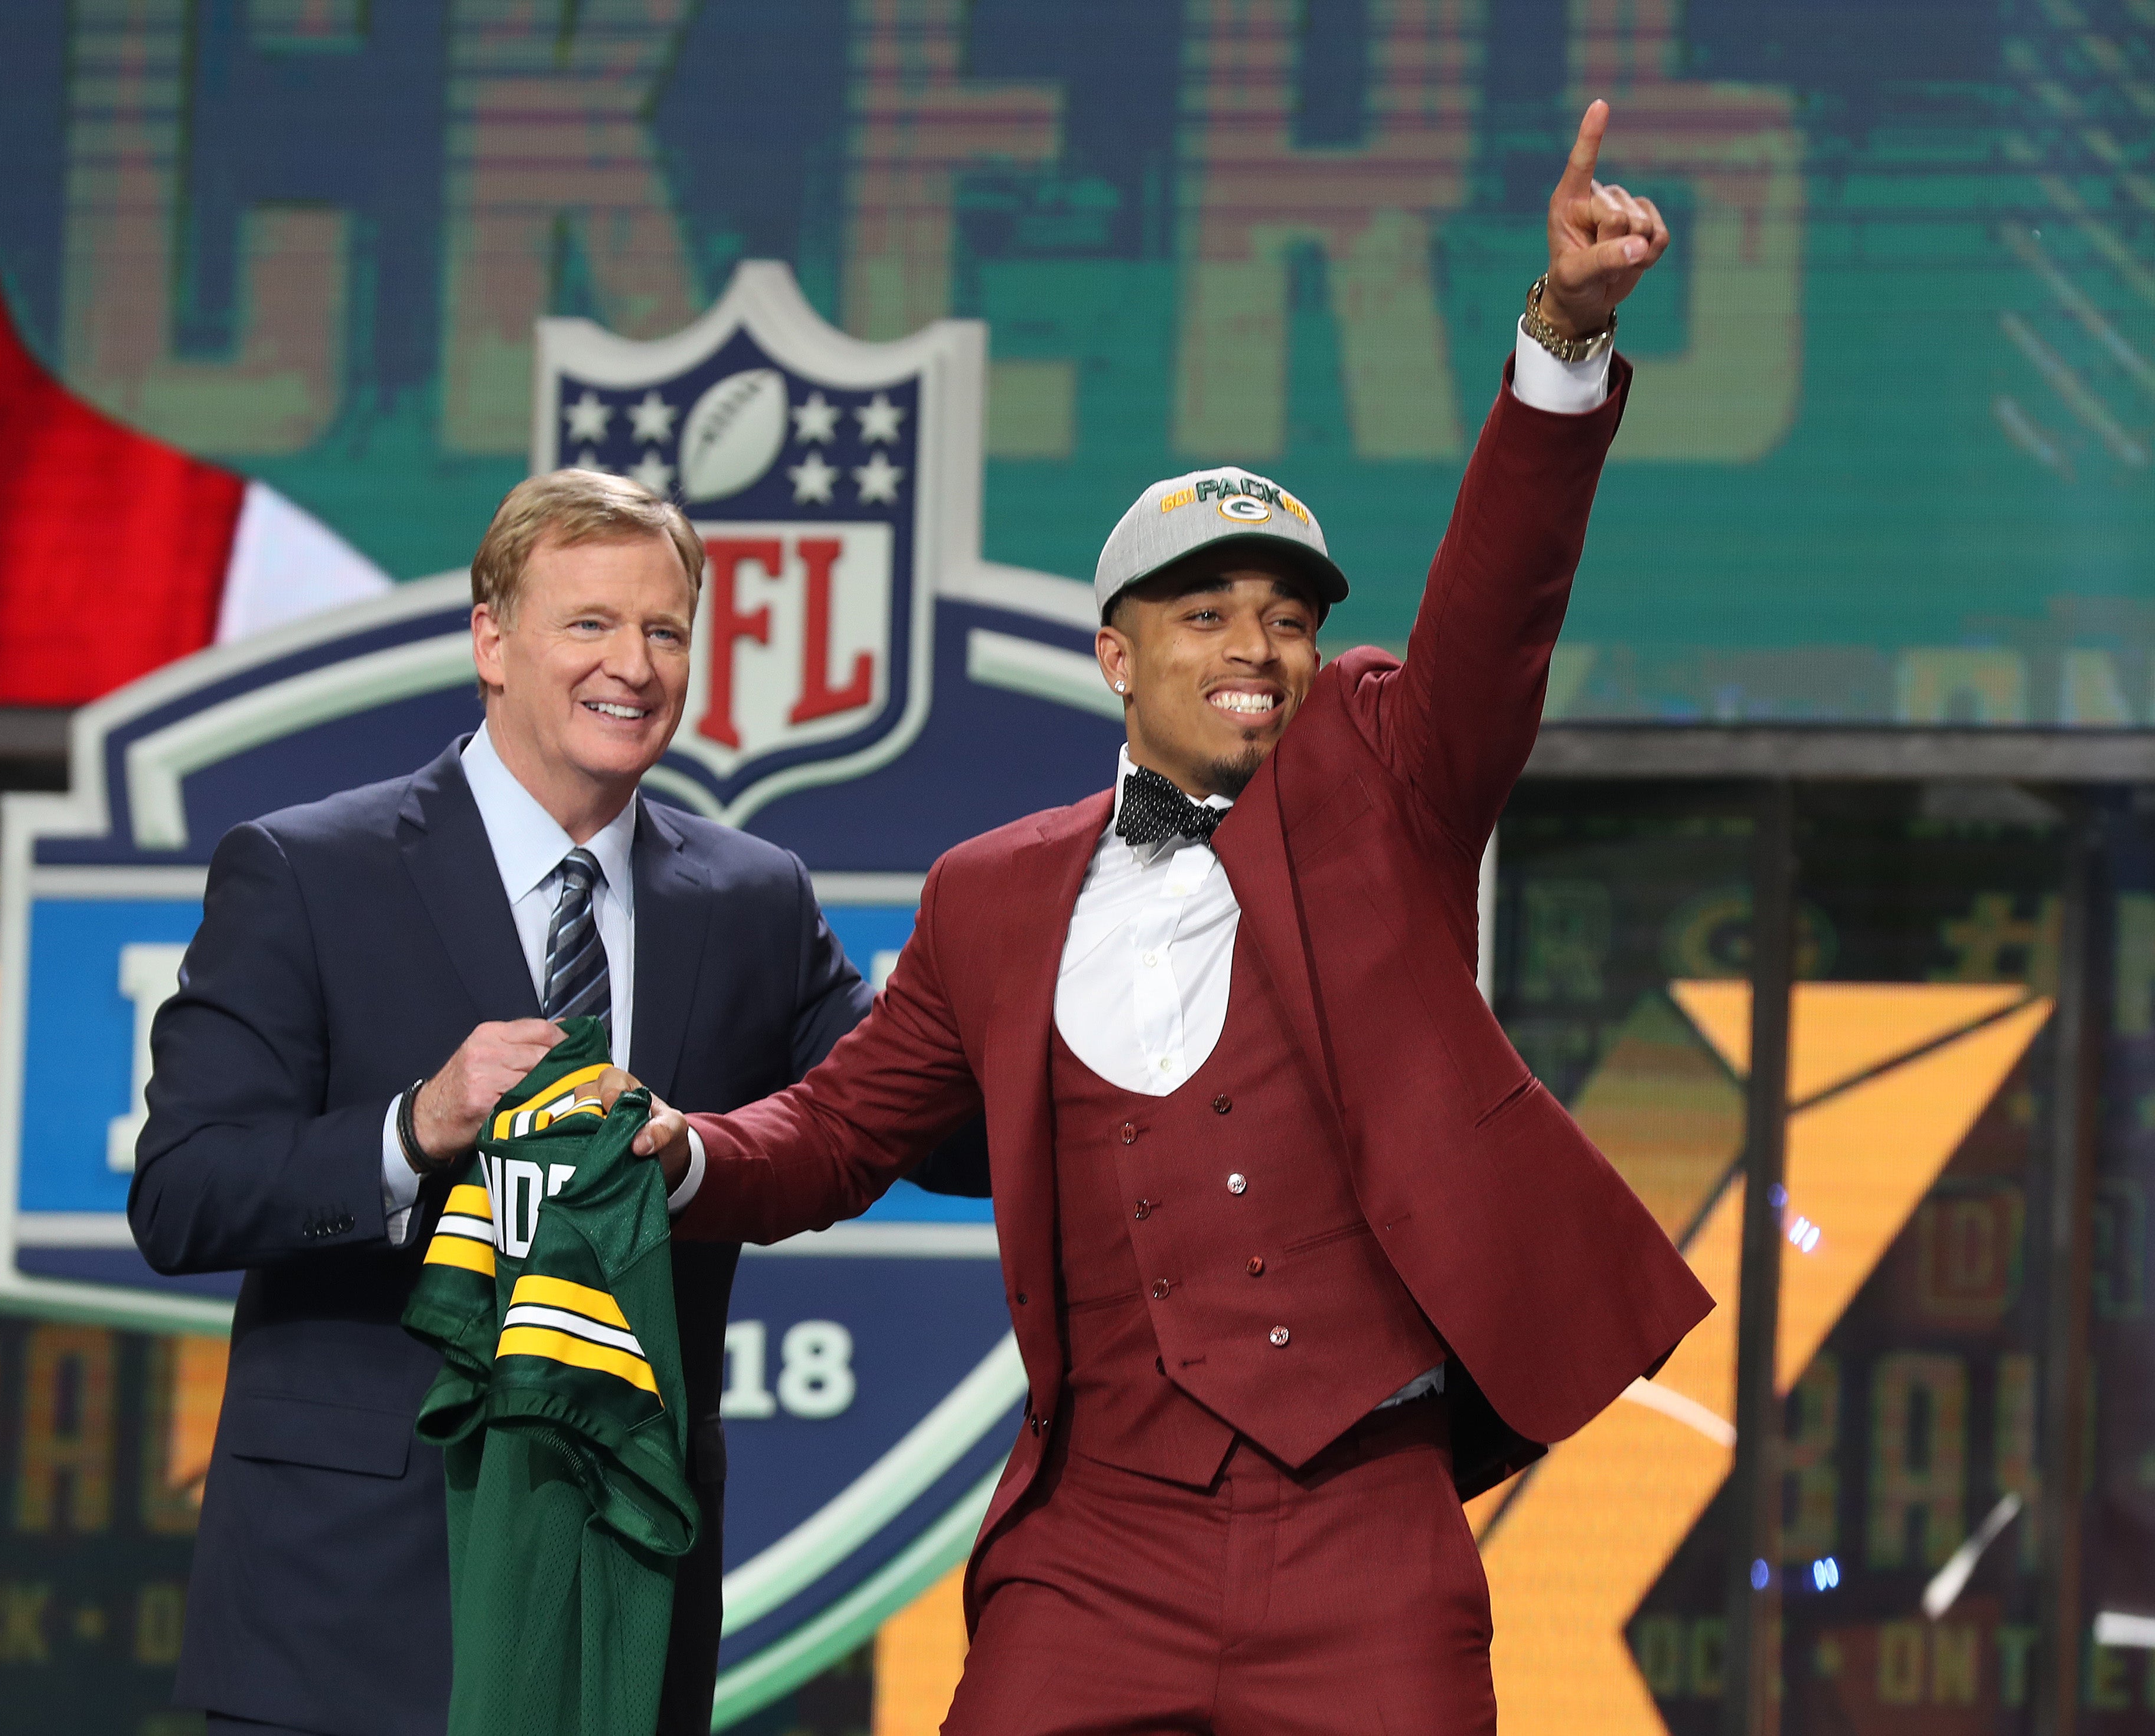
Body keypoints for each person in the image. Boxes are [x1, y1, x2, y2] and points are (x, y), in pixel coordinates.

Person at [600, 101, 1715, 1732]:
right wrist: (677, 1151)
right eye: (1202, 615)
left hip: (1362, 1524)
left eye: (1282, 617)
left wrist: (1556, 338)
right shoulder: (989, 896)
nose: (1250, 645)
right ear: (1116, 656)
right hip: (1095, 1543)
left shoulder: (1378, 784)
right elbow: (837, 1134)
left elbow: (1493, 611)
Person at [129, 471, 880, 1736]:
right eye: (589, 623)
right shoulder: (307, 874)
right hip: (349, 1603)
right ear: (492, 638)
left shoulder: (753, 901)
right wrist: (411, 1127)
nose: (633, 667)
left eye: (665, 630)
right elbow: (184, 1191)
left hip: (619, 1583)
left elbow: (910, 1112)